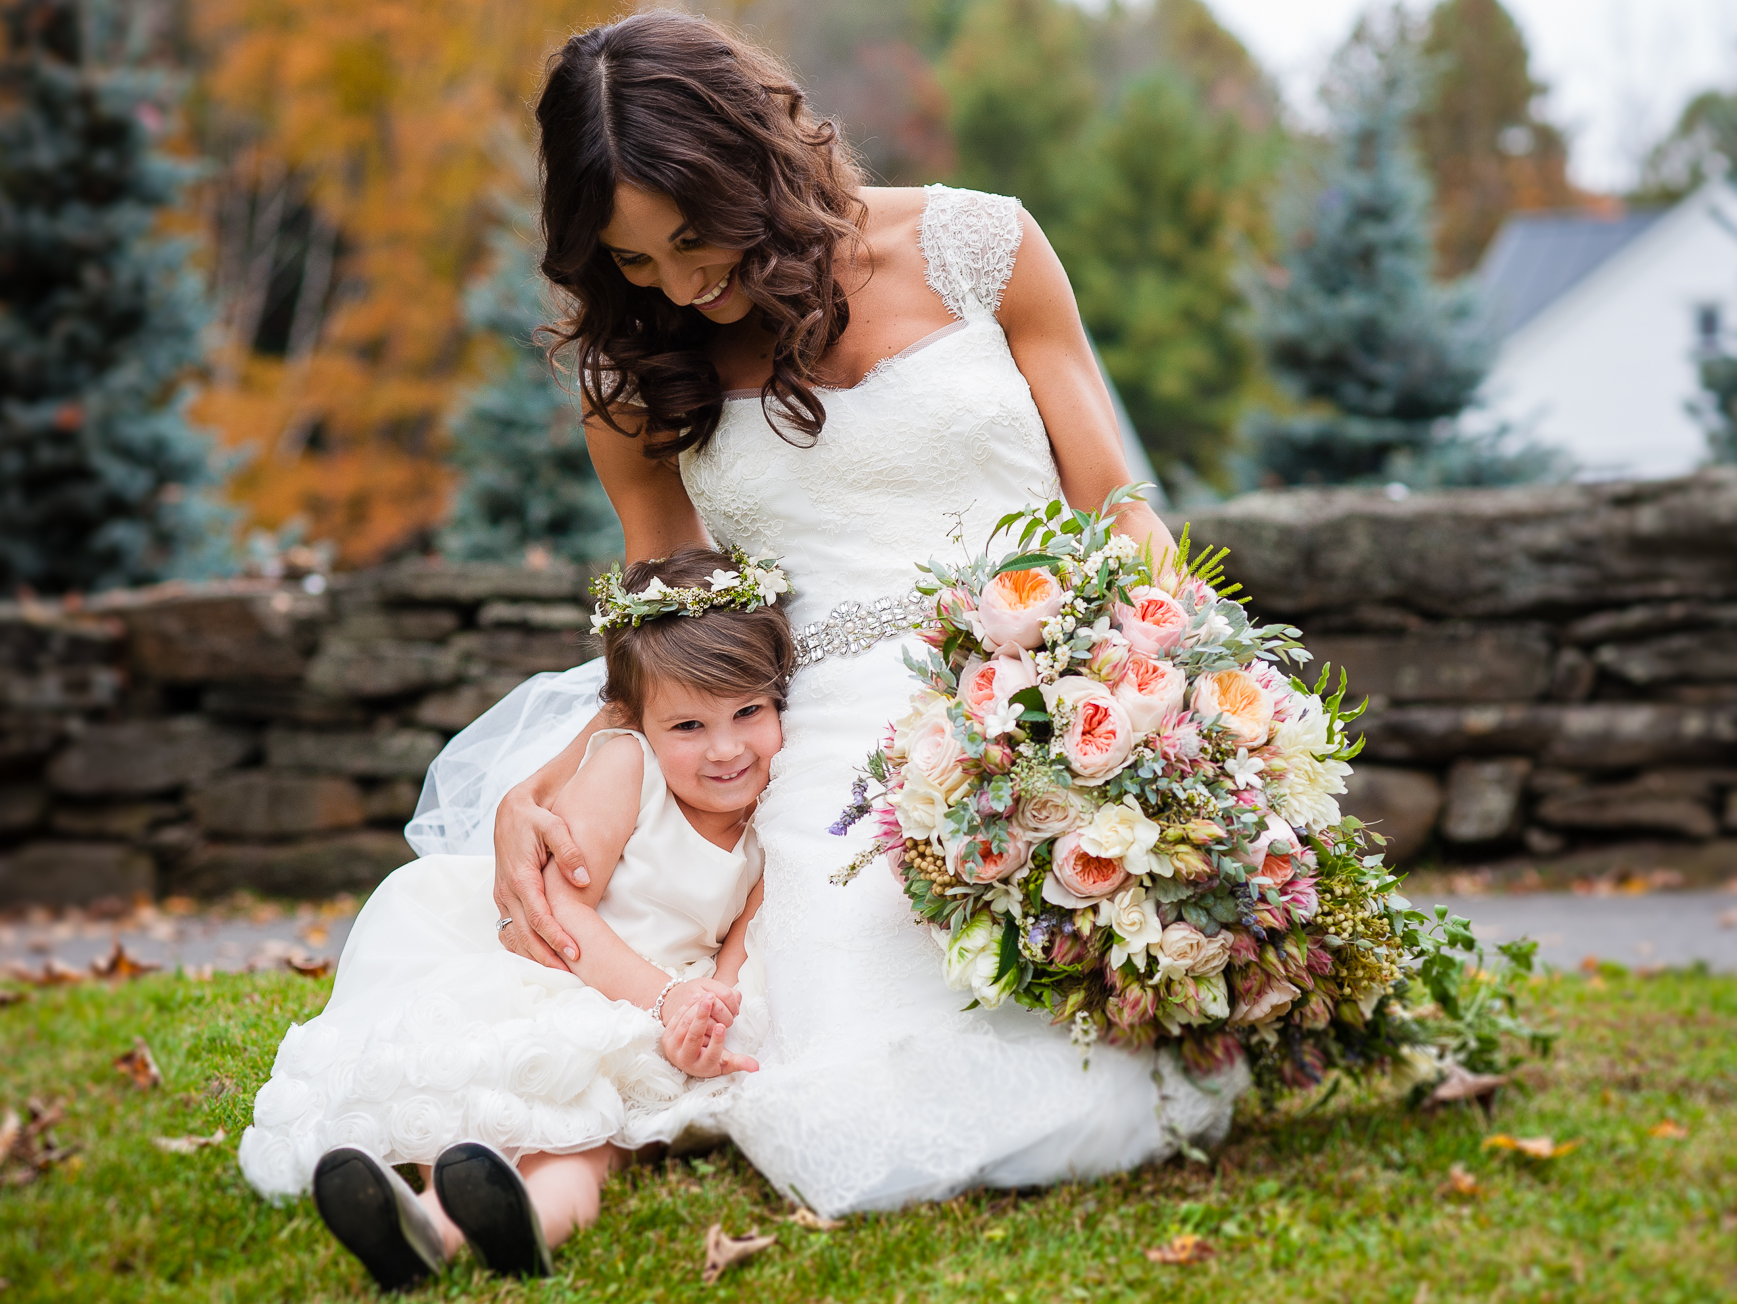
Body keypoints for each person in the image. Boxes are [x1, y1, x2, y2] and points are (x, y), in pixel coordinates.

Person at [409, 9, 1248, 1218]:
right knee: (826, 994)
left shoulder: (981, 245)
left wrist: (1171, 670)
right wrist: (561, 772)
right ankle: (504, 1183)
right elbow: (667, 627)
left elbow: (1115, 500)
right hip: (818, 740)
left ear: (758, 158)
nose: (683, 287)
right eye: (636, 263)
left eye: (694, 238)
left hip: (1049, 685)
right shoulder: (639, 375)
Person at [238, 548, 791, 1292]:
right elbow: (558, 910)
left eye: (749, 713)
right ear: (636, 717)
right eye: (689, 724)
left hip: (655, 1022)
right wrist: (664, 998)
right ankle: (432, 1214)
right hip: (558, 977)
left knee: (582, 1149)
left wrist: (704, 1026)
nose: (726, 749)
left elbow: (736, 958)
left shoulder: (775, 823)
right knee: (483, 1105)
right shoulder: (626, 767)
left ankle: (475, 1229)